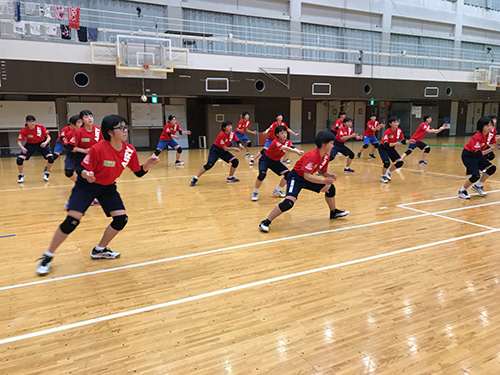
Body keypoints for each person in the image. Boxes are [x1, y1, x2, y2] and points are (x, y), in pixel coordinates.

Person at [36, 115, 160, 275]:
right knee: (72, 220)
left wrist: (148, 164)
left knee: (121, 219)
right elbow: (80, 169)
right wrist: (86, 174)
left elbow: (138, 172)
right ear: (110, 132)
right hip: (86, 186)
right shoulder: (98, 148)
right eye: (121, 128)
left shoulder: (129, 150)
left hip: (108, 187)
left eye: (125, 127)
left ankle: (99, 249)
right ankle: (48, 255)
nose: (125, 131)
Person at [258, 131, 349, 232]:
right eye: (331, 143)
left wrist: (329, 175)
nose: (333, 146)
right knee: (288, 203)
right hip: (296, 178)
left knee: (330, 189)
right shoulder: (312, 155)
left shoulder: (326, 156)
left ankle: (333, 212)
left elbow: (323, 171)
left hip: (307, 177)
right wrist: (324, 180)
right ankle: (266, 222)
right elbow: (307, 176)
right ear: (323, 143)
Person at [251, 125, 304, 201]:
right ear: (277, 135)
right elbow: (285, 148)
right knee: (262, 174)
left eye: (285, 132)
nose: (284, 134)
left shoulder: (287, 142)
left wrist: (297, 150)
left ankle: (277, 190)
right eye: (282, 133)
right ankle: (255, 192)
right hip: (265, 160)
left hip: (275, 162)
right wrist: (296, 152)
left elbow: (291, 146)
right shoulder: (275, 142)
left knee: (288, 175)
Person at [190, 120, 244, 185]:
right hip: (216, 150)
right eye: (228, 126)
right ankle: (195, 178)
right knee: (209, 165)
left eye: (231, 126)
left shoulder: (232, 133)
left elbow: (237, 140)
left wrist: (240, 145)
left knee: (235, 161)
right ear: (224, 128)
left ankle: (230, 177)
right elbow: (225, 148)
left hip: (223, 152)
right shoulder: (221, 135)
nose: (230, 127)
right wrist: (234, 149)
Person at [458, 116, 499, 199]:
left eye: (491, 126)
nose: (490, 128)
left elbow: (494, 142)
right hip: (469, 155)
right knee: (475, 176)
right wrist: (491, 149)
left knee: (492, 168)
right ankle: (462, 191)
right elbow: (478, 155)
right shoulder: (477, 137)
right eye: (487, 126)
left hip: (478, 154)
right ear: (481, 126)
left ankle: (478, 186)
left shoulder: (488, 135)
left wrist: (496, 146)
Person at [67, 110, 103, 206]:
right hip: (81, 158)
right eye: (86, 117)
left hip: (95, 158)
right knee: (84, 179)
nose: (90, 118)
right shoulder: (79, 132)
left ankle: (92, 198)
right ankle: (72, 201)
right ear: (82, 120)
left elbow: (102, 142)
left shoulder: (97, 130)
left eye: (91, 116)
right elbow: (70, 147)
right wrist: (85, 151)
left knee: (94, 178)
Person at [16, 115, 55, 183]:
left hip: (41, 144)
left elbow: (48, 137)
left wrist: (45, 143)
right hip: (30, 145)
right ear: (26, 122)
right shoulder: (24, 130)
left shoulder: (40, 127)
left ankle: (46, 173)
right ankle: (21, 174)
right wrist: (22, 148)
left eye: (33, 121)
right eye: (30, 121)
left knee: (51, 158)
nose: (32, 123)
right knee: (19, 160)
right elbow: (19, 142)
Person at [378, 117, 412, 183]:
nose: (396, 123)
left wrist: (408, 141)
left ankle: (388, 172)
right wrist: (394, 144)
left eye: (397, 122)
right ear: (390, 124)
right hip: (383, 148)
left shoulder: (399, 131)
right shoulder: (388, 131)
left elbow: (403, 140)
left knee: (400, 163)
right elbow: (386, 144)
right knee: (386, 163)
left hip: (391, 148)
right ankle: (382, 176)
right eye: (394, 122)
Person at [58, 115, 82, 182]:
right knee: (68, 171)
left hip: (83, 155)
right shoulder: (70, 134)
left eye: (82, 122)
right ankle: (80, 184)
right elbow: (66, 146)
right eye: (79, 122)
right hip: (72, 154)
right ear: (73, 125)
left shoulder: (87, 132)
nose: (81, 124)